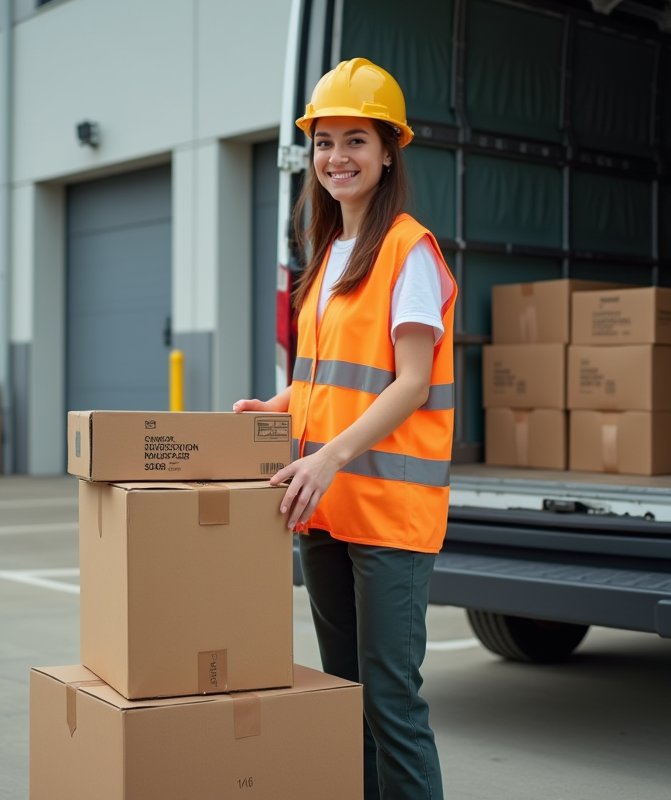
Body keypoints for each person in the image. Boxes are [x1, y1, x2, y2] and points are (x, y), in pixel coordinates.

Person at [234, 58, 456, 800]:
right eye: (325, 142)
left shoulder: (408, 250)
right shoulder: (326, 255)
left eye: (356, 140)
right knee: (345, 697)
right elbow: (328, 376)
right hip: (325, 507)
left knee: (392, 703)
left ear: (389, 149)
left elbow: (413, 381)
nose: (337, 157)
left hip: (388, 514)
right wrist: (279, 406)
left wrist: (327, 456)